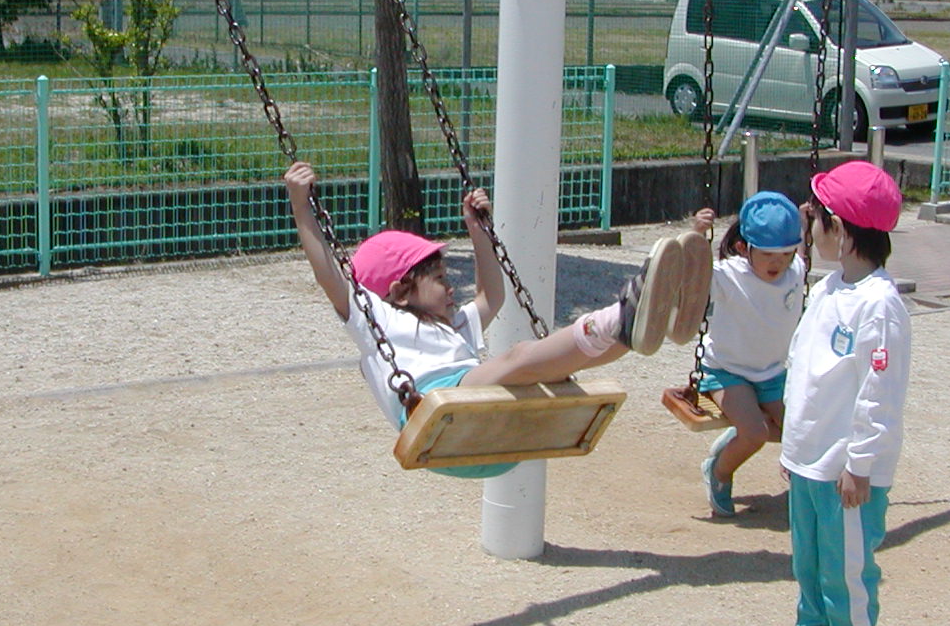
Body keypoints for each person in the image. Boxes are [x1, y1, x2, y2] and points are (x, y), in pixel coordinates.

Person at [283, 162, 711, 476]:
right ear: (398, 292)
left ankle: (642, 325)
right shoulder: (375, 319)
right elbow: (328, 275)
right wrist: (302, 207)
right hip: (436, 410)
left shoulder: (452, 325)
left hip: (487, 431)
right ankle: (623, 315)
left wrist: (478, 230)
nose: (451, 288)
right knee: (520, 356)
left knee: (559, 367)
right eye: (439, 279)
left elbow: (493, 296)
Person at [755, 160, 909, 626]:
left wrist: (860, 464)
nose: (809, 225)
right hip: (809, 456)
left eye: (816, 217)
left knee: (846, 564)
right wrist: (793, 448)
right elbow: (804, 365)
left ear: (839, 230)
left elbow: (879, 392)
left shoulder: (880, 305)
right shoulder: (828, 288)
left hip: (845, 464)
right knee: (809, 556)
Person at [689, 192, 807, 518]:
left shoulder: (795, 270)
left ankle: (739, 432)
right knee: (755, 434)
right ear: (743, 248)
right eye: (767, 254)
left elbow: (802, 250)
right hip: (726, 370)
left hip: (771, 372)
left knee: (800, 431)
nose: (777, 263)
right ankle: (719, 471)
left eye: (785, 254)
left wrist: (803, 220)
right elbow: (688, 273)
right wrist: (697, 235)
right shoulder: (728, 275)